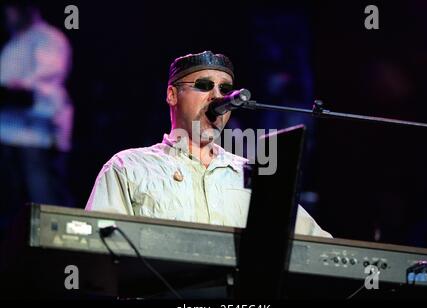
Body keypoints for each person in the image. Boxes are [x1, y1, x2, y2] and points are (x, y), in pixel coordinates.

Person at [86, 51, 331, 237]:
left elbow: (318, 247)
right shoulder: (128, 166)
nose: (217, 96)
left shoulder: (257, 175)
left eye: (225, 89)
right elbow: (98, 246)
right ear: (172, 94)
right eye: (203, 86)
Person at [0, 2, 74, 229]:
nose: (7, 17)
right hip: (8, 134)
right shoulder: (13, 43)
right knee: (13, 209)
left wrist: (13, 91)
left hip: (38, 137)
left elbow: (42, 87)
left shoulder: (48, 38)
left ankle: (54, 254)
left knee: (43, 205)